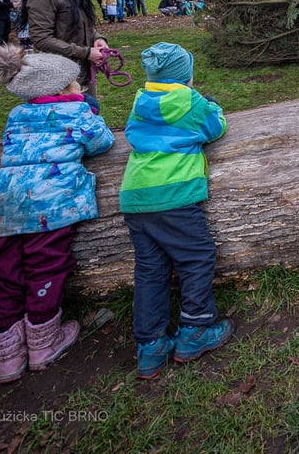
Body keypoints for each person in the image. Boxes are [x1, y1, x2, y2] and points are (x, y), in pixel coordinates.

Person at [0, 44, 114, 383]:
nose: (80, 88)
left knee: (5, 271)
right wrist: (89, 111)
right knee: (45, 265)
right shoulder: (78, 113)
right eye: (74, 83)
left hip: (5, 201)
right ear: (59, 89)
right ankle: (42, 341)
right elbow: (103, 143)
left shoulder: (17, 114)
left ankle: (7, 356)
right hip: (49, 203)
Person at [120, 43, 232, 380]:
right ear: (188, 76)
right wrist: (215, 107)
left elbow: (130, 133)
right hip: (176, 195)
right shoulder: (191, 101)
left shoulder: (141, 100)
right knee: (196, 256)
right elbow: (215, 127)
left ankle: (150, 345)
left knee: (150, 268)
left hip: (136, 196)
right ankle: (196, 327)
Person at [20, 0, 111, 97]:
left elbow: (83, 25)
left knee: (90, 114)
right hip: (59, 75)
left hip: (82, 71)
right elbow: (41, 39)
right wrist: (85, 52)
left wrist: (98, 38)